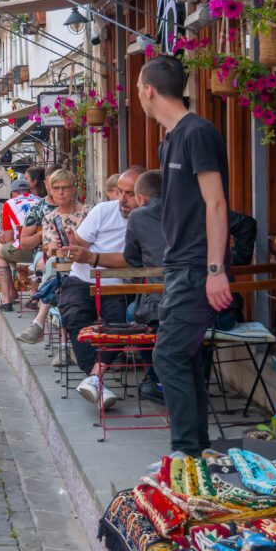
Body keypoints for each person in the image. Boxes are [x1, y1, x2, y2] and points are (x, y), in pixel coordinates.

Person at [137, 55, 232, 458]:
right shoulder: (171, 138)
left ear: (148, 91)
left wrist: (215, 270)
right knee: (184, 356)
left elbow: (216, 204)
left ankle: (187, 448)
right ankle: (196, 447)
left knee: (169, 354)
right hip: (181, 265)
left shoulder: (197, 133)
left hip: (196, 267)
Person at [59, 167, 144, 409]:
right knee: (74, 316)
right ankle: (96, 380)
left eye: (129, 194)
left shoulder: (149, 220)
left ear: (145, 196)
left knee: (120, 325)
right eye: (120, 192)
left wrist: (93, 257)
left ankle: (94, 380)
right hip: (82, 279)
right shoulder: (104, 211)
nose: (122, 200)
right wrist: (72, 245)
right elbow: (81, 245)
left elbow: (132, 259)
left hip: (117, 285)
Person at [16, 168, 88, 348]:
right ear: (50, 190)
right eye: (56, 188)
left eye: (65, 187)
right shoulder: (49, 217)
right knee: (56, 268)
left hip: (86, 262)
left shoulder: (87, 212)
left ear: (73, 189)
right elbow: (48, 245)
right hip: (64, 263)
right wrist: (53, 245)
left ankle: (39, 324)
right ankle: (64, 343)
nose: (60, 192)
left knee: (54, 269)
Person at [122, 170, 167, 403]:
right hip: (213, 307)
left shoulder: (138, 217)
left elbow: (131, 257)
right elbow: (246, 225)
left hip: (165, 308)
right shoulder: (194, 208)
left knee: (133, 314)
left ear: (141, 197)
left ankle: (157, 381)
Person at [0, 177, 41, 311]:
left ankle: (7, 298)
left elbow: (9, 238)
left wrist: (4, 237)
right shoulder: (40, 201)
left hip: (24, 250)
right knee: (2, 250)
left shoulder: (9, 204)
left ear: (13, 193)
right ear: (30, 191)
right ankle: (33, 295)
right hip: (43, 250)